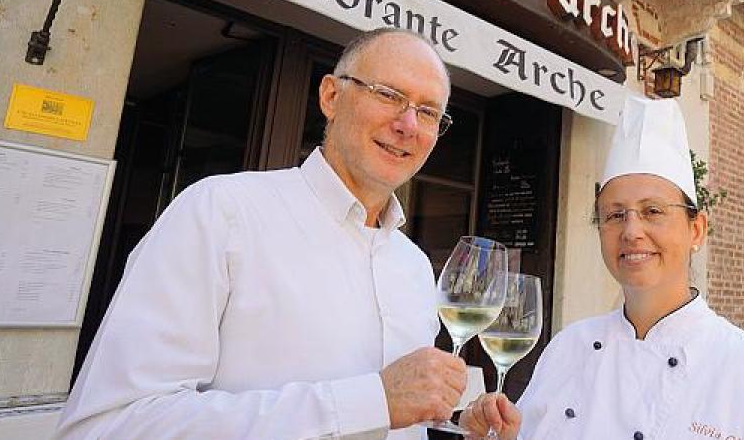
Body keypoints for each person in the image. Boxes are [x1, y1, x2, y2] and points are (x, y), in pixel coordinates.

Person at [57, 28, 468, 439]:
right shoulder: (220, 212)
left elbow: (403, 415)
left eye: (428, 112)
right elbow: (111, 426)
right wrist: (370, 400)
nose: (409, 124)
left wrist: (460, 424)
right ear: (331, 96)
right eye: (388, 94)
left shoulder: (413, 265)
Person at [459, 97, 744, 439]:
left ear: (696, 230)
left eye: (653, 211)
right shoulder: (568, 347)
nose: (632, 231)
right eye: (615, 215)